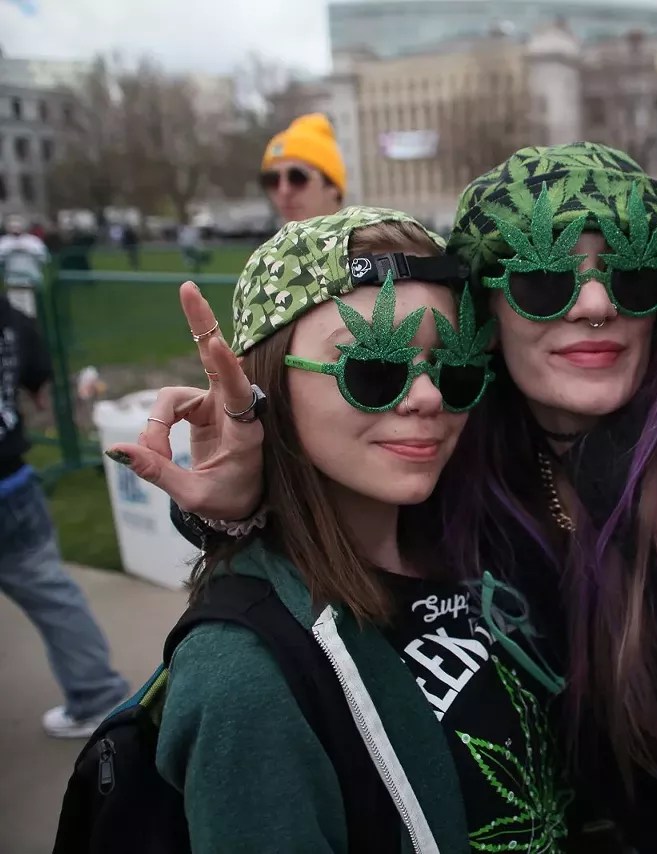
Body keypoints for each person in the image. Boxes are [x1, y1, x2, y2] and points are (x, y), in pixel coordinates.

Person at [131, 144, 657, 852]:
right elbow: (335, 497)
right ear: (488, 313)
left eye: (632, 276)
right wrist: (239, 503)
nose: (595, 305)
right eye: (540, 280)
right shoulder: (460, 450)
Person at [107, 206, 575, 851]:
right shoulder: (242, 679)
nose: (430, 398)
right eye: (374, 368)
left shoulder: (486, 532)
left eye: (455, 366)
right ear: (266, 381)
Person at [0, 270, 130, 738]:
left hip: (11, 484)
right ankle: (97, 694)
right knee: (54, 595)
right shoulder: (11, 317)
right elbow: (38, 385)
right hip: (12, 482)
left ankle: (96, 695)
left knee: (53, 594)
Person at [260, 113, 346, 223]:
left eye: (297, 177)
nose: (283, 190)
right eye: (272, 180)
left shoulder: (368, 239)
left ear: (333, 188)